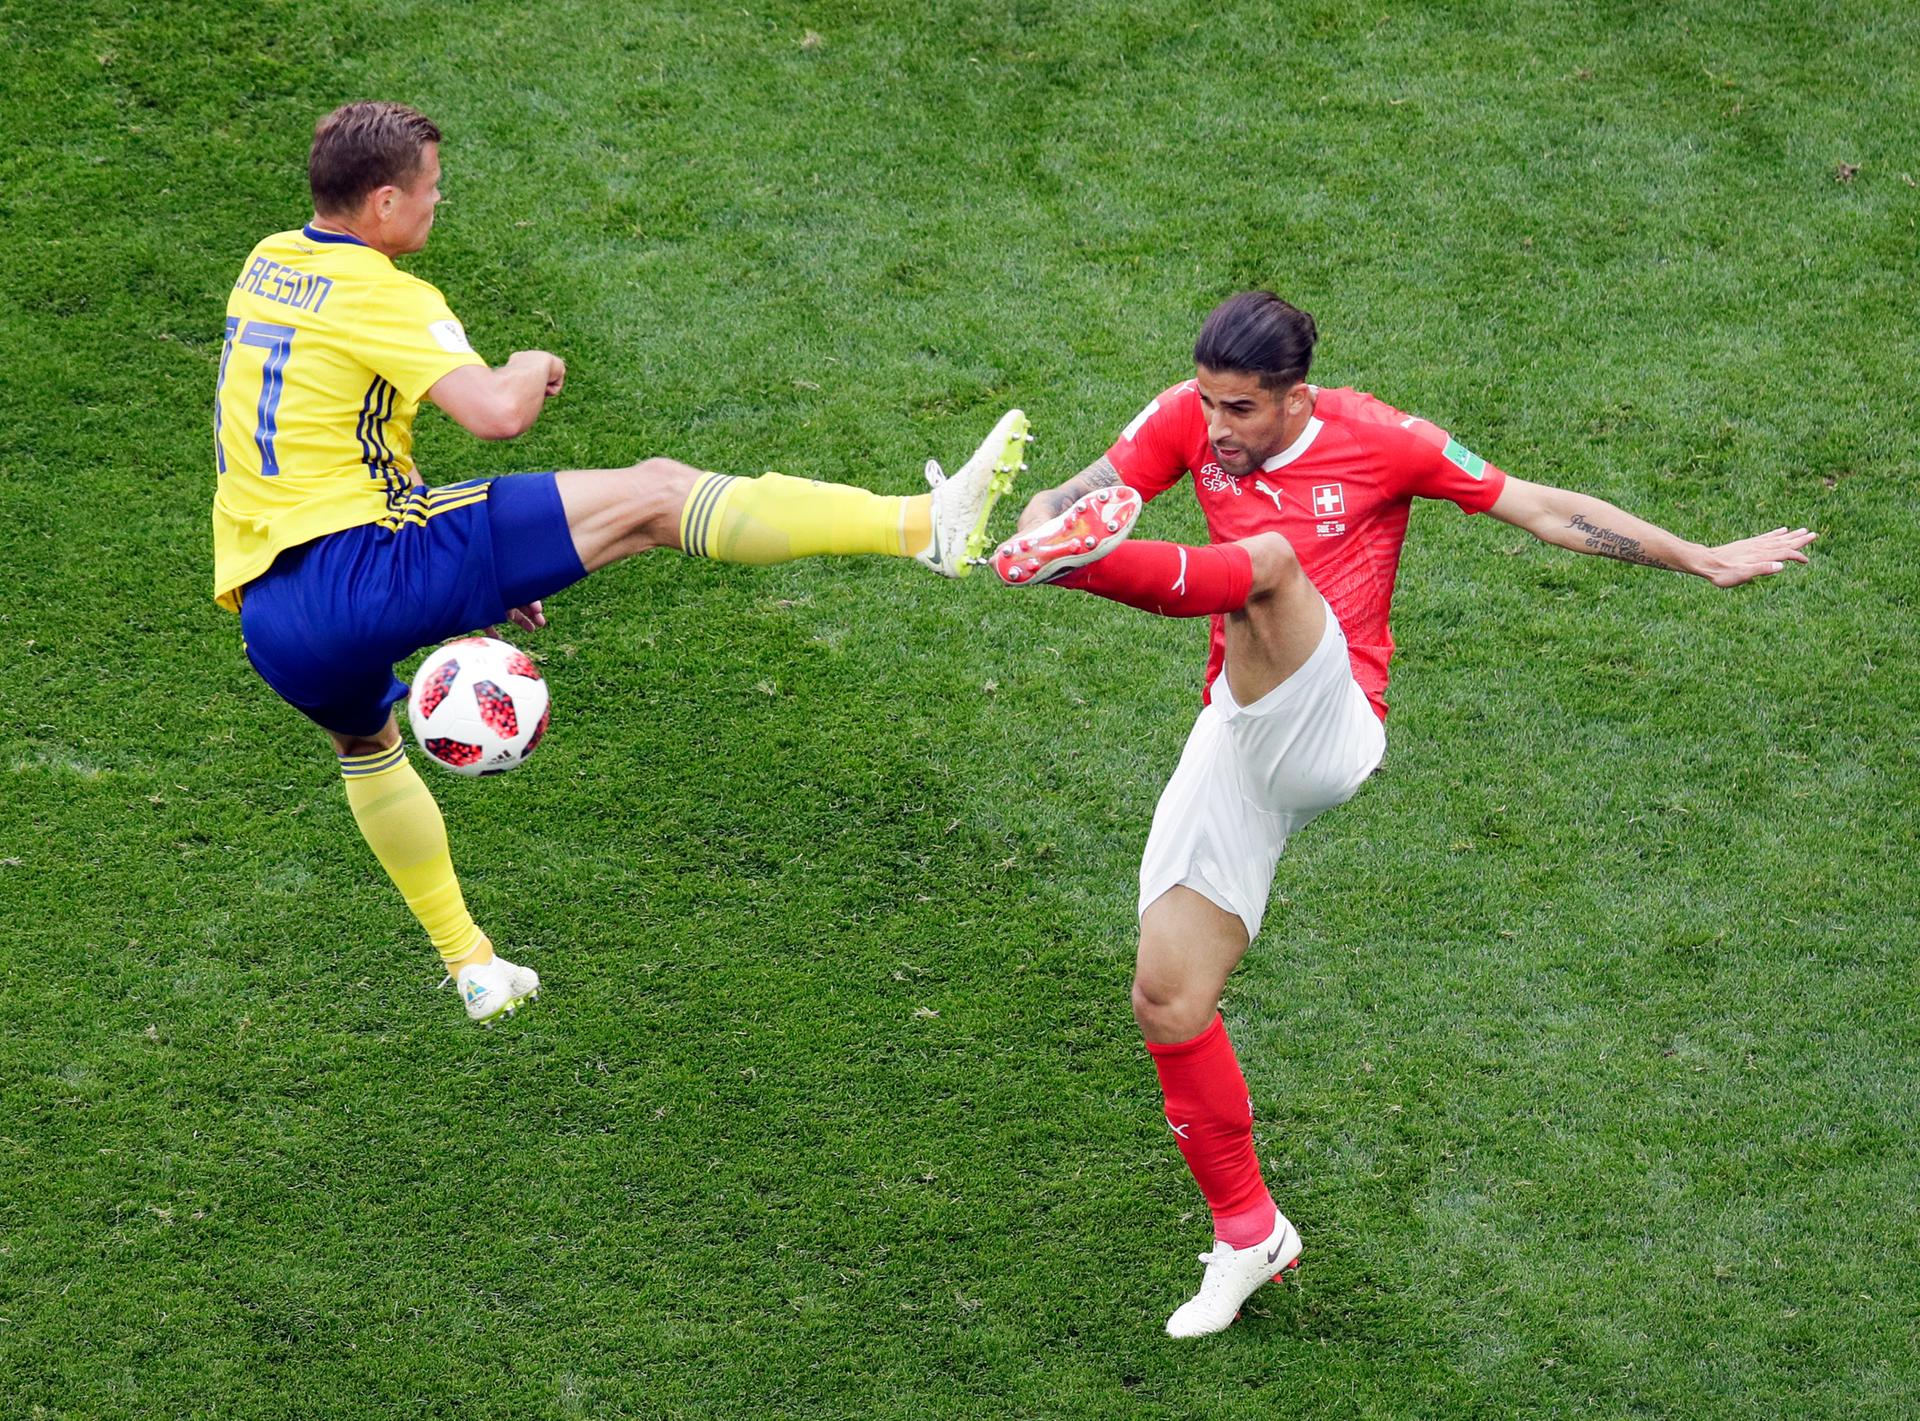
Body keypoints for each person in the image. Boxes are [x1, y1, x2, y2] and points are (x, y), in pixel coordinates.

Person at [992, 290, 1815, 1337]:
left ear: (1295, 398)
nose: (1216, 429)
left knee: (1273, 569)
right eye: (1207, 404)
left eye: (1241, 409)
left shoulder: (1384, 439)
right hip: (1238, 730)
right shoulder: (1183, 420)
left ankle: (1093, 572)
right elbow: (1071, 491)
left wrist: (1695, 554)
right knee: (1168, 998)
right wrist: (1042, 524)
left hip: (1333, 718)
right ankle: (1251, 1232)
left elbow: (1542, 506)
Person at [214, 101, 1031, 1024]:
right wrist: (529, 362)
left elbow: (333, 432)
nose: (440, 204)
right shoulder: (385, 292)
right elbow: (495, 413)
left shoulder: (270, 262)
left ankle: (472, 963)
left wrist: (472, 573)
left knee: (365, 746)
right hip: (365, 565)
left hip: (273, 617)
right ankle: (926, 526)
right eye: (433, 190)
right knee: (653, 495)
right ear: (387, 201)